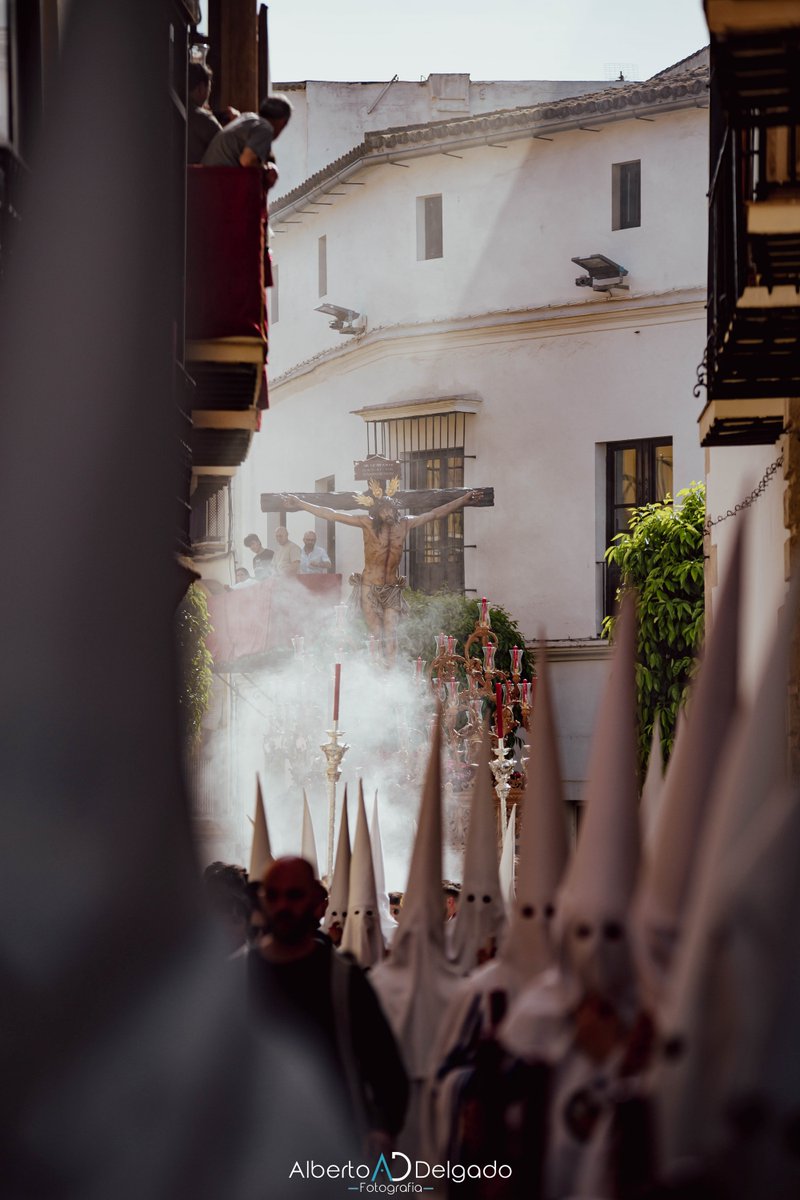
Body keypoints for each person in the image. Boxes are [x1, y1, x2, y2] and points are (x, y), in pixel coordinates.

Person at [248, 857, 408, 1154]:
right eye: (274, 895)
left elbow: (385, 1066)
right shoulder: (237, 977)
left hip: (332, 1140)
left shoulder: (344, 979)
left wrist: (382, 1127)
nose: (283, 906)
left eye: (294, 895)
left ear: (318, 903)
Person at [282, 485, 482, 663]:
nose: (388, 513)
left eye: (391, 509)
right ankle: (377, 672)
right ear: (377, 512)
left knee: (391, 632)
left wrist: (463, 500)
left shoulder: (404, 524)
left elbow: (436, 514)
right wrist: (300, 503)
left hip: (392, 589)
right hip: (369, 588)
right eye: (384, 509)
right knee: (376, 634)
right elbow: (331, 514)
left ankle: (390, 670)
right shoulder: (366, 523)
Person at [202, 94, 292, 192]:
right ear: (283, 122)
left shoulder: (248, 117)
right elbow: (247, 160)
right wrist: (267, 171)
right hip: (218, 184)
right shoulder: (265, 128)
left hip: (205, 178)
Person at [187, 62, 222, 165]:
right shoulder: (203, 118)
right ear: (201, 88)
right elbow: (227, 148)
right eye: (209, 87)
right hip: (199, 179)